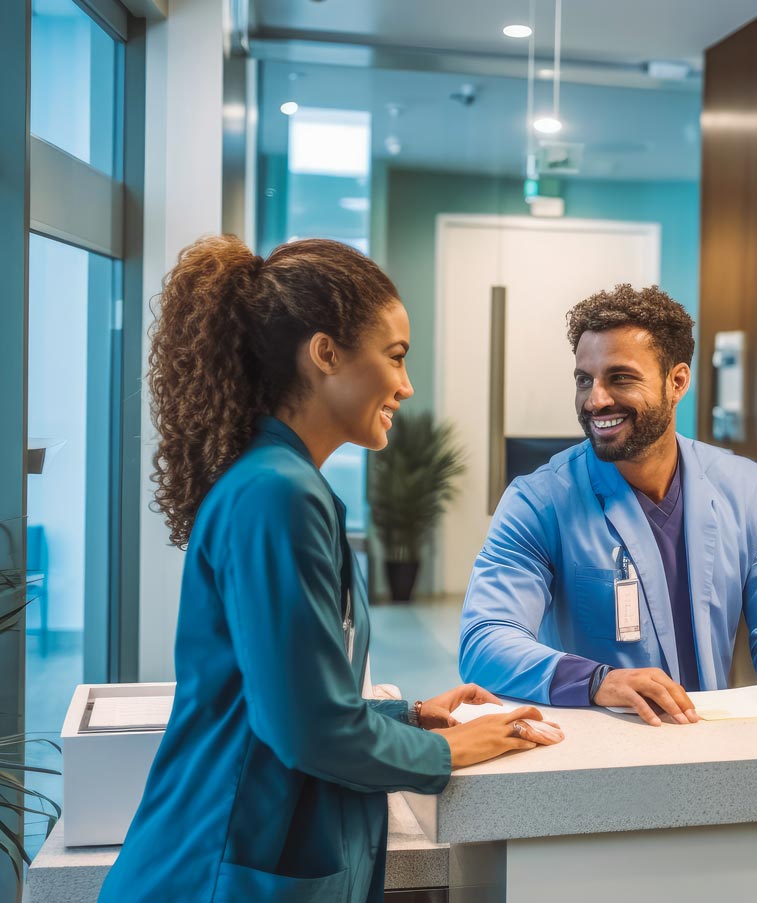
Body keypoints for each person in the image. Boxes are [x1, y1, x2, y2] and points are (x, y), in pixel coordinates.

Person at [100, 236, 562, 903]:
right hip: (219, 868)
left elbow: (291, 686)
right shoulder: (275, 492)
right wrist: (450, 751)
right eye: (395, 357)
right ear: (324, 354)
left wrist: (410, 716)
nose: (405, 386)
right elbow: (305, 727)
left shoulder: (282, 482)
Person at [459, 284, 757, 725]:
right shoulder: (539, 501)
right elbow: (485, 641)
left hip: (711, 743)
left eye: (620, 378)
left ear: (677, 382)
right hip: (597, 751)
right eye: (584, 380)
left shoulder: (750, 491)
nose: (596, 400)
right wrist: (598, 681)